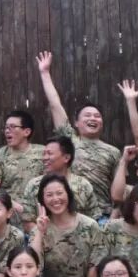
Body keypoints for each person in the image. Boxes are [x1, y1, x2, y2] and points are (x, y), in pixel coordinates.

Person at [36, 51, 121, 219]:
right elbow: (55, 105)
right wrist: (44, 73)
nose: (93, 119)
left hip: (100, 215)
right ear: (76, 123)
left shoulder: (113, 152)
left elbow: (118, 189)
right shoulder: (69, 141)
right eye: (87, 116)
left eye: (97, 116)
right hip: (66, 211)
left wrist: (114, 216)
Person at [29, 175, 105, 277]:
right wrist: (40, 232)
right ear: (42, 199)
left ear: (68, 194)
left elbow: (94, 268)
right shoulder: (39, 229)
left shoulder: (90, 226)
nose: (55, 199)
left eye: (59, 193)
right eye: (49, 195)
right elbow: (34, 265)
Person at [20, 136, 100, 228]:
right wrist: (45, 234)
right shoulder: (34, 185)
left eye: (49, 154)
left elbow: (94, 218)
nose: (45, 158)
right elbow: (27, 222)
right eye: (44, 154)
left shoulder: (83, 185)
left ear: (66, 157)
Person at [0, 109, 45, 203]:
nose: (7, 131)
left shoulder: (43, 152)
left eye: (12, 127)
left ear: (27, 132)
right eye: (6, 127)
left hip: (37, 206)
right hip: (10, 206)